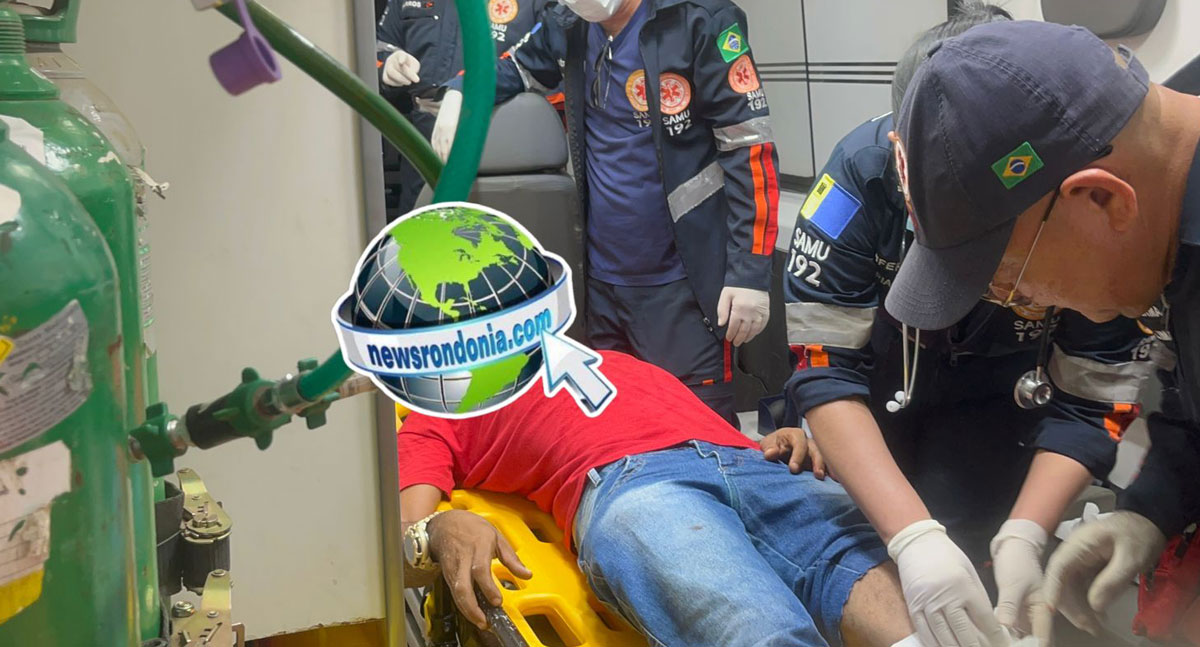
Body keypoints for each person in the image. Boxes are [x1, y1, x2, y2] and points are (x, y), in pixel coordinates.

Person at [777, 6, 1156, 646]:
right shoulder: (858, 174)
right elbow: (823, 363)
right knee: (868, 554)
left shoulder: (1078, 198)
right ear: (900, 150)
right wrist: (913, 539)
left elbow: (1096, 393)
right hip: (880, 391)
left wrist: (1024, 535)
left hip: (1001, 401)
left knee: (976, 551)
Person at [883, 19, 1200, 642]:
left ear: (1102, 200)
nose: (1018, 302)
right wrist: (1152, 508)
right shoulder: (1167, 162)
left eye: (1011, 279)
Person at [399, 350, 922, 647]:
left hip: (757, 462)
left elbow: (699, 424)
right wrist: (441, 529)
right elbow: (401, 546)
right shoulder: (437, 414)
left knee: (925, 625)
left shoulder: (607, 360)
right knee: (762, 634)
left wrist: (779, 438)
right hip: (634, 482)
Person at [428, 0, 781, 425]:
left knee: (697, 434)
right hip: (603, 286)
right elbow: (514, 68)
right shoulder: (568, 24)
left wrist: (750, 272)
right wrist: (460, 90)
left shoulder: (698, 19)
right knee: (616, 431)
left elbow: (750, 148)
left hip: (683, 285)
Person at [376, 0, 554, 215]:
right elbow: (378, 47)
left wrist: (463, 93)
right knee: (422, 227)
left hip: (503, 156)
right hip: (423, 144)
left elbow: (545, 70)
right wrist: (388, 64)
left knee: (496, 230)